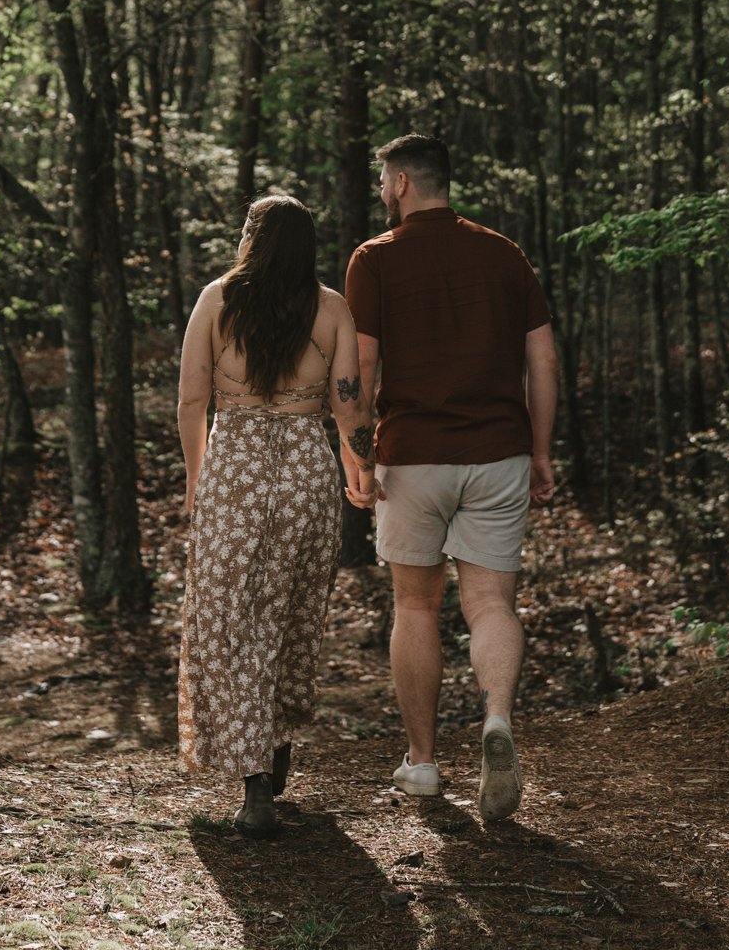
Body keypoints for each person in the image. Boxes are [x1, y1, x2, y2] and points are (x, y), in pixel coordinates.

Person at [344, 133, 559, 823]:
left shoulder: (375, 259)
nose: (383, 193)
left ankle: (425, 762)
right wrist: (541, 451)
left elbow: (362, 369)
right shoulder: (502, 254)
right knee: (491, 605)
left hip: (414, 456)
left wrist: (357, 454)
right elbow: (542, 360)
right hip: (498, 451)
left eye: (384, 182)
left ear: (402, 183)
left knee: (415, 606)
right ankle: (497, 718)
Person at [177, 192, 373, 838]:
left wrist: (197, 479)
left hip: (234, 470)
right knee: (291, 615)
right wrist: (357, 467)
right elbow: (349, 405)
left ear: (251, 240)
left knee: (233, 619)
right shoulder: (331, 308)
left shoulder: (217, 299)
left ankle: (252, 778)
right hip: (303, 473)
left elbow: (191, 400)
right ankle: (276, 741)